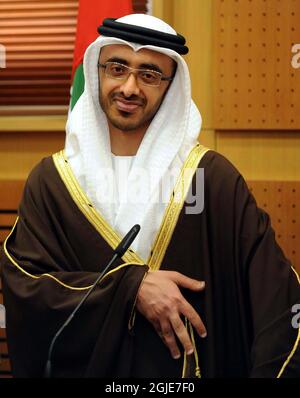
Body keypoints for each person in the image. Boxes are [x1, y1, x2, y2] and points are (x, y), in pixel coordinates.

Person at [0, 13, 299, 378]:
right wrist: (129, 289)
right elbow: (26, 288)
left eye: (149, 74)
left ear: (170, 88)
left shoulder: (211, 178)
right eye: (116, 67)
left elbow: (279, 301)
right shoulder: (52, 181)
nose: (129, 87)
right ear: (97, 72)